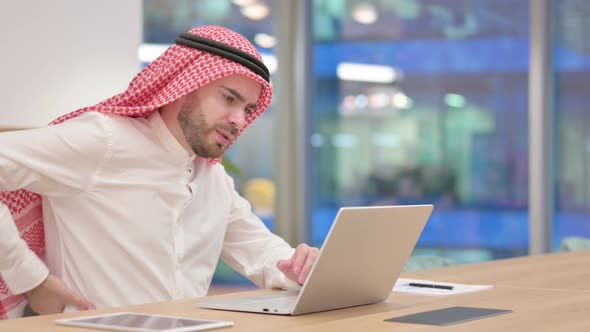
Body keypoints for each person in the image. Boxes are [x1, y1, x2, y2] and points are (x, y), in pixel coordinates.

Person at [0, 25, 319, 319]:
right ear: (184, 84)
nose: (239, 119)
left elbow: (262, 253)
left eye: (247, 109)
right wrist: (31, 279)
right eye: (228, 98)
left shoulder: (214, 180)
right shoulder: (105, 141)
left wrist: (299, 268)